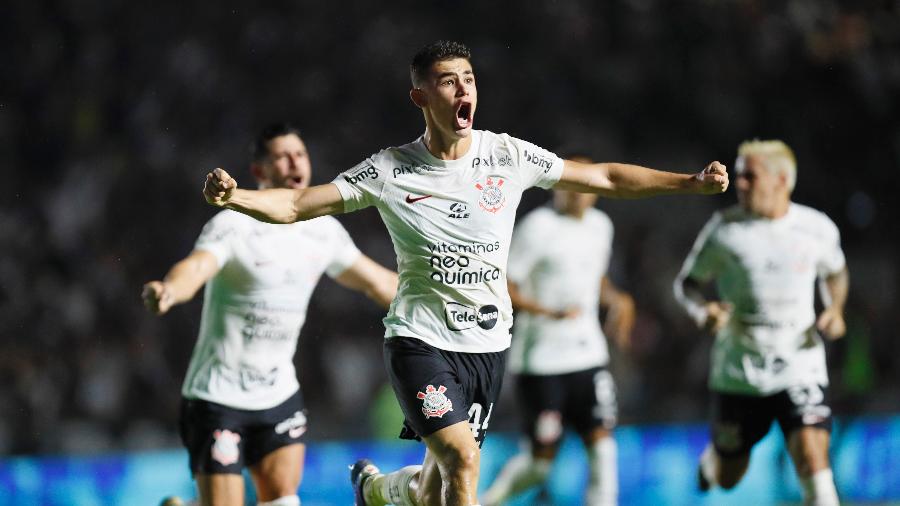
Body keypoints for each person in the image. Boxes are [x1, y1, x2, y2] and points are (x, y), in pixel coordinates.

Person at [202, 41, 728, 506]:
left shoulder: (507, 154)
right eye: (448, 81)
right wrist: (237, 198)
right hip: (419, 341)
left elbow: (605, 176)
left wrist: (688, 183)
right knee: (463, 462)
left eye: (469, 80)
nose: (463, 90)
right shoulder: (389, 169)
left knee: (434, 487)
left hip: (488, 345)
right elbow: (297, 205)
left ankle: (377, 491)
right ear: (421, 97)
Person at [143, 123, 398, 506]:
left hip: (278, 394)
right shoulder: (233, 224)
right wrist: (169, 291)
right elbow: (196, 268)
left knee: (282, 499)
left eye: (300, 154)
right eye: (282, 155)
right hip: (218, 397)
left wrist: (442, 299)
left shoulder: (322, 231)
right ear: (260, 171)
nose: (295, 162)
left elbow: (376, 282)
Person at [673, 139, 847, 506]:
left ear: (782, 180)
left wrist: (834, 309)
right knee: (728, 479)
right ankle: (713, 462)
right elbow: (687, 284)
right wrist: (702, 311)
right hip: (740, 370)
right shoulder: (724, 229)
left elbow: (836, 272)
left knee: (815, 465)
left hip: (799, 364)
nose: (740, 183)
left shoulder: (817, 228)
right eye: (738, 176)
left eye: (750, 176)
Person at [480, 158, 635, 506]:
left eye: (585, 186)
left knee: (603, 451)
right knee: (539, 465)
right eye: (570, 185)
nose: (578, 194)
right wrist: (547, 312)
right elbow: (505, 285)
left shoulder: (600, 226)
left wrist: (616, 298)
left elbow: (593, 276)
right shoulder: (537, 228)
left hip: (588, 356)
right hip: (541, 362)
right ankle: (489, 501)